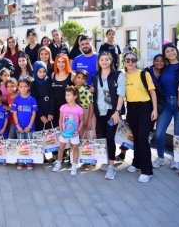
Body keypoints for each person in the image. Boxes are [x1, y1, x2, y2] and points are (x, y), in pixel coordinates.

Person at [123, 52, 158, 183]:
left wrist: (154, 109)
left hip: (145, 108)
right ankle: (136, 163)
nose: (130, 62)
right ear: (124, 61)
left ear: (136, 61)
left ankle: (147, 170)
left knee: (143, 139)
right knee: (136, 138)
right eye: (127, 60)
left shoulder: (144, 74)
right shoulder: (123, 76)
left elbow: (152, 92)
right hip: (131, 108)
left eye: (133, 59)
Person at [153, 43, 179, 169]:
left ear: (176, 51)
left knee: (178, 134)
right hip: (166, 103)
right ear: (165, 55)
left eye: (172, 50)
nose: (170, 53)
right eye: (167, 51)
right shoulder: (164, 67)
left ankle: (177, 159)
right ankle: (161, 157)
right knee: (159, 133)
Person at [92, 52, 126, 180]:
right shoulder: (95, 76)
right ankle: (107, 160)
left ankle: (112, 166)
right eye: (102, 59)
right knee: (104, 137)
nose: (104, 62)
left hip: (112, 112)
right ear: (99, 61)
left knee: (110, 137)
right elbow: (96, 93)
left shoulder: (118, 75)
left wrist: (117, 112)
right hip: (99, 111)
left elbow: (121, 95)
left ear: (111, 61)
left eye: (107, 59)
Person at [52, 87, 84, 176]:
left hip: (74, 133)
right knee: (61, 148)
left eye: (69, 95)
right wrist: (61, 130)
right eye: (66, 95)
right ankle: (58, 163)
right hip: (64, 132)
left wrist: (78, 131)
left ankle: (74, 166)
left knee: (75, 148)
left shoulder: (79, 109)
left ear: (75, 96)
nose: (67, 97)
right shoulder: (63, 107)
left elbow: (82, 121)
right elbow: (60, 119)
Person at [11, 78, 38, 170]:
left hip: (29, 127)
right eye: (21, 86)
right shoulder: (16, 100)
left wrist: (29, 126)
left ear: (29, 87)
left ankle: (29, 161)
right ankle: (21, 161)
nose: (23, 89)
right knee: (21, 143)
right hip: (19, 127)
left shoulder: (32, 100)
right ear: (18, 87)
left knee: (29, 143)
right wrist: (17, 125)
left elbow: (34, 113)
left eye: (25, 86)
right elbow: (14, 113)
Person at [51, 54, 75, 130]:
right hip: (55, 108)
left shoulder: (72, 75)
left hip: (67, 108)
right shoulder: (53, 74)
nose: (60, 64)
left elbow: (80, 87)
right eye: (58, 62)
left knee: (67, 130)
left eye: (63, 62)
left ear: (67, 63)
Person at [30, 61, 53, 131]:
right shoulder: (33, 84)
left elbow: (52, 97)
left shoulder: (49, 81)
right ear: (35, 71)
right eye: (39, 71)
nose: (42, 74)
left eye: (44, 71)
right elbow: (34, 101)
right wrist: (41, 116)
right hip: (39, 113)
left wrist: (51, 113)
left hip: (49, 112)